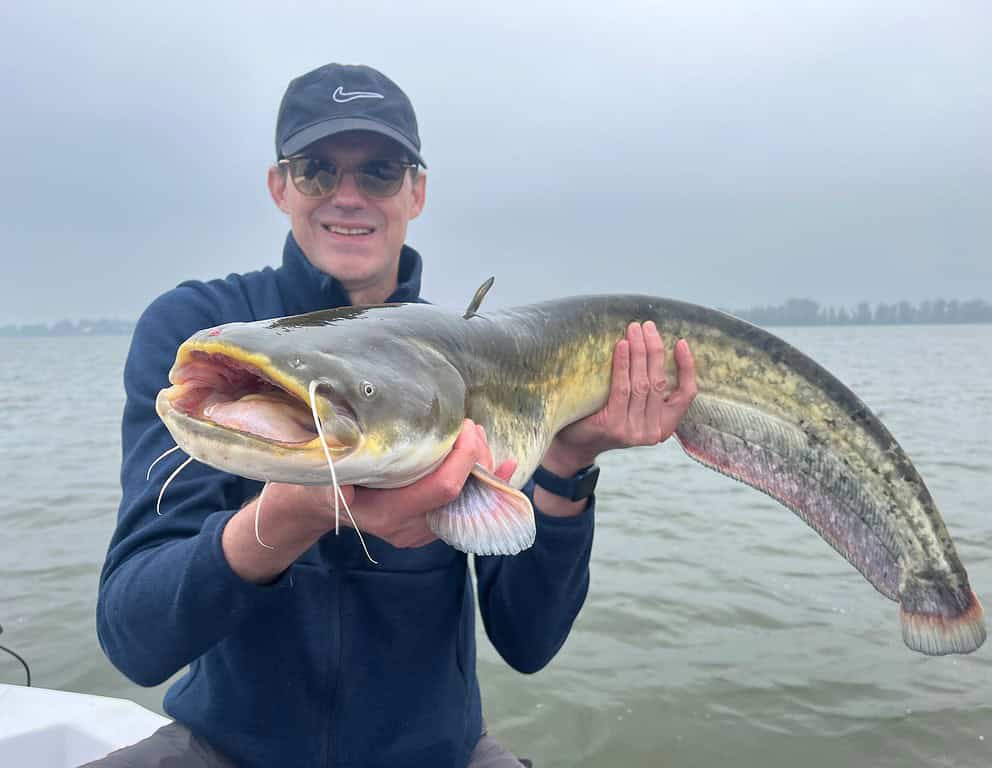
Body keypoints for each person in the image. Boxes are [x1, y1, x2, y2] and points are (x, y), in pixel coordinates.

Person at [90, 63, 697, 767]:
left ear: (417, 191)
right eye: (318, 169)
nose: (348, 196)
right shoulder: (205, 333)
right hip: (225, 749)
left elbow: (528, 642)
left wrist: (565, 464)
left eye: (379, 171)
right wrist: (293, 514)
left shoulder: (467, 361)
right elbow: (136, 636)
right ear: (280, 186)